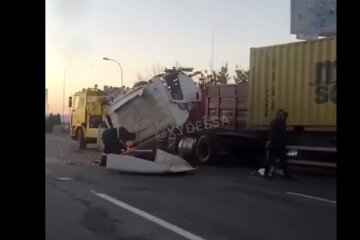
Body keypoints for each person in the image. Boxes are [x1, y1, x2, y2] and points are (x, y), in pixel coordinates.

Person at [263, 109, 292, 179]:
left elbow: (283, 135)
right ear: (278, 114)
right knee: (271, 160)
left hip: (280, 145)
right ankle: (266, 174)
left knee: (282, 160)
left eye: (283, 114)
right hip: (275, 145)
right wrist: (270, 142)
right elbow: (272, 134)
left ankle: (285, 174)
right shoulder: (276, 122)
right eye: (281, 114)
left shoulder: (282, 122)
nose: (283, 116)